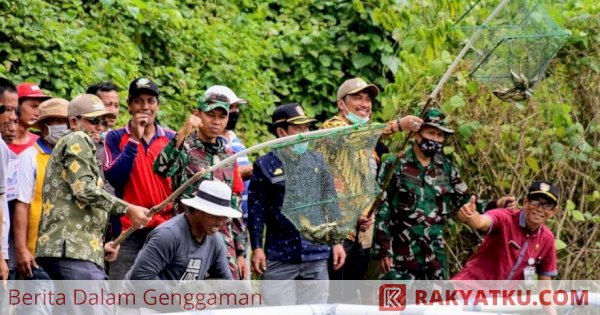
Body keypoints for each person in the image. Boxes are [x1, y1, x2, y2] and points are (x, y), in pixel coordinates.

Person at [375, 108, 516, 280]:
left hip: (434, 254)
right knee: (396, 305)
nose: (435, 139)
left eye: (439, 135)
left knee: (436, 305)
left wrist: (496, 204)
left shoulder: (446, 169)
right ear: (416, 134)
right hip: (399, 252)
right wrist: (384, 249)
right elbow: (381, 208)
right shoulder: (394, 164)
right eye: (430, 133)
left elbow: (465, 200)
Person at [35, 94, 150, 281]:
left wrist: (98, 246)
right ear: (73, 121)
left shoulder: (77, 144)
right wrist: (128, 209)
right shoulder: (77, 138)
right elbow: (84, 190)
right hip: (71, 251)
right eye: (94, 120)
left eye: (104, 122)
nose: (100, 127)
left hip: (76, 250)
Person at [321, 77, 423, 286]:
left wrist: (366, 212)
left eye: (368, 99)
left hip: (359, 234)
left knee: (351, 299)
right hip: (334, 234)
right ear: (341, 104)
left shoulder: (369, 143)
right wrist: (396, 125)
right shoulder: (332, 128)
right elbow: (350, 137)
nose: (365, 104)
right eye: (357, 98)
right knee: (331, 299)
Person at [248, 103, 346, 305]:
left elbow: (329, 203)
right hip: (280, 255)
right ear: (281, 131)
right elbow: (256, 210)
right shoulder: (265, 165)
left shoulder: (317, 162)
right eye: (298, 128)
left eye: (307, 128)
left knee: (316, 310)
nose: (304, 133)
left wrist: (336, 241)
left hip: (316, 254)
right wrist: (257, 247)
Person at [154, 91, 248, 279]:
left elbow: (235, 202)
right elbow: (161, 169)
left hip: (223, 240)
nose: (216, 121)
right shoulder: (185, 147)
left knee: (226, 300)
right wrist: (183, 133)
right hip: (188, 238)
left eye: (222, 116)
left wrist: (240, 252)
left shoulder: (229, 155)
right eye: (210, 115)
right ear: (197, 115)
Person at [103, 77, 175, 279]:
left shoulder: (171, 138)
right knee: (124, 297)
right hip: (127, 231)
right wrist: (134, 139)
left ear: (158, 106)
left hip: (165, 230)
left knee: (163, 295)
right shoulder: (115, 137)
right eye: (138, 101)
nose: (145, 107)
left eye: (150, 101)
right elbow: (116, 178)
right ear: (129, 106)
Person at [125, 179, 238, 281]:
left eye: (224, 217)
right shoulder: (168, 235)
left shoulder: (215, 240)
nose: (220, 222)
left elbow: (224, 280)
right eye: (215, 216)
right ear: (199, 210)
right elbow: (140, 277)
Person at [453, 180, 558, 281]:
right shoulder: (505, 218)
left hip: (499, 298)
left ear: (553, 212)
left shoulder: (547, 239)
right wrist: (470, 216)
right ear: (526, 202)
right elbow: (481, 221)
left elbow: (545, 286)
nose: (540, 209)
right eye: (535, 202)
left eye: (547, 205)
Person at [13, 98, 69, 280]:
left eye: (62, 121)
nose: (59, 126)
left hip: (70, 254)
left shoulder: (75, 157)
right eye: (53, 121)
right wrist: (21, 250)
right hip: (38, 253)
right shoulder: (29, 157)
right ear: (43, 126)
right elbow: (22, 205)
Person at [209, 85, 253, 219]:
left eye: (236, 107)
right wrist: (240, 173)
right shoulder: (210, 142)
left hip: (242, 218)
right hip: (222, 218)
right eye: (231, 107)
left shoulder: (234, 138)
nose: (235, 111)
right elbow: (208, 177)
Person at [10, 83, 51, 154]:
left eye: (40, 108)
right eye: (33, 106)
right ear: (16, 106)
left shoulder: (39, 143)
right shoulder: (2, 141)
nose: (38, 113)